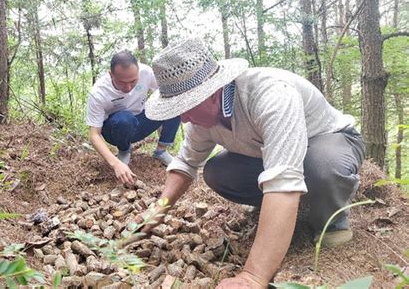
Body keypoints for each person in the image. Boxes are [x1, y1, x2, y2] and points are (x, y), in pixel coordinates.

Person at [141, 38, 365, 289]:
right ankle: (282, 214)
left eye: (186, 106)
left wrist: (253, 277)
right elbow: (185, 164)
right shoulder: (201, 118)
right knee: (217, 171)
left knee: (320, 167)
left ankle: (331, 219)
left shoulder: (271, 94)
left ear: (212, 92)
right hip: (270, 155)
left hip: (328, 141)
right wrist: (157, 211)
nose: (183, 118)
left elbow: (284, 179)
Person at [86, 50, 181, 185]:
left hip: (140, 122)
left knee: (175, 99)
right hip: (115, 130)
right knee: (124, 119)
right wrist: (115, 164)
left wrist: (163, 116)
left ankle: (161, 151)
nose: (129, 87)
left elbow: (167, 91)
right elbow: (94, 135)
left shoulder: (146, 72)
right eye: (122, 82)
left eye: (133, 81)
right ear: (111, 75)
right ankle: (124, 151)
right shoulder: (99, 92)